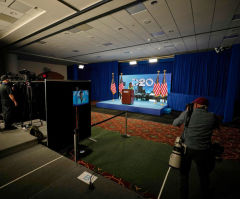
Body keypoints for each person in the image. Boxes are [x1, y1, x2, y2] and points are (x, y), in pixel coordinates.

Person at [172, 97, 219, 199]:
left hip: (187, 149)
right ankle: (205, 194)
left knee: (184, 174)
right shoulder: (212, 116)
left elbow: (175, 123)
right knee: (203, 174)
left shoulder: (188, 113)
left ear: (196, 105)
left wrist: (186, 112)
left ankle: (183, 196)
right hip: (203, 151)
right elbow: (216, 127)